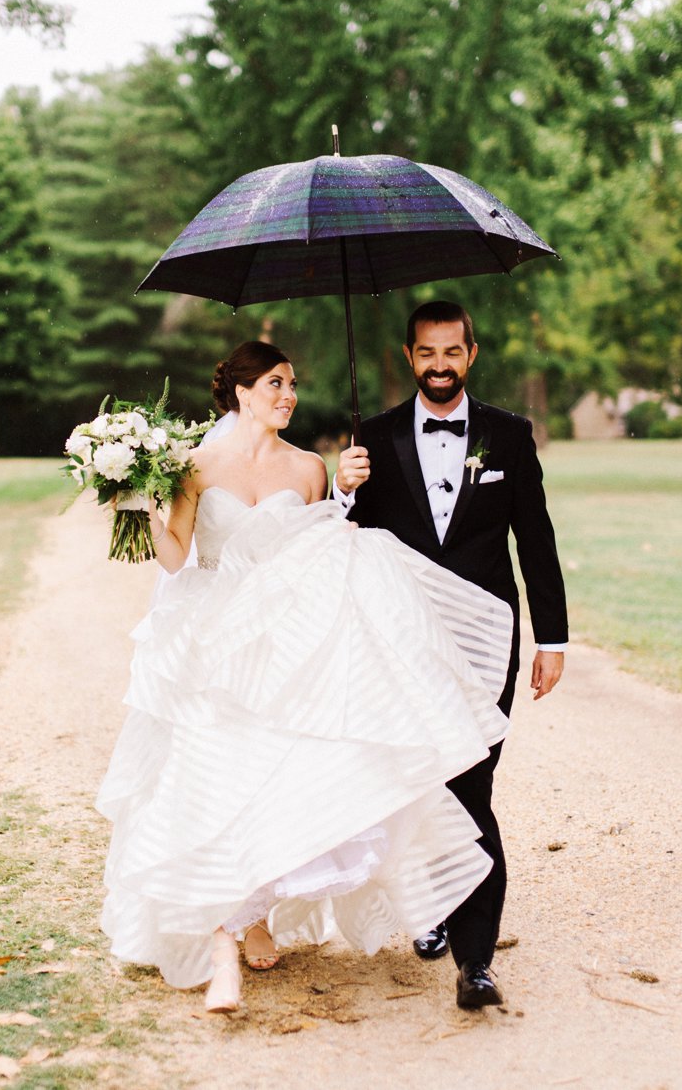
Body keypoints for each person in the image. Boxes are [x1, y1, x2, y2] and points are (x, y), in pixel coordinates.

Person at [97, 341, 513, 1015]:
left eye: (292, 382)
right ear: (240, 392)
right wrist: (140, 505)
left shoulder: (309, 467)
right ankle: (222, 943)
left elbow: (325, 550)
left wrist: (347, 493)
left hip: (286, 647)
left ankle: (251, 911)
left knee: (276, 782)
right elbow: (175, 559)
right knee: (213, 783)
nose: (288, 395)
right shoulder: (192, 466)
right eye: (274, 383)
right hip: (217, 641)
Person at [334, 301, 569, 1011]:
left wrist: (551, 638)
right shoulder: (370, 438)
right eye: (426, 353)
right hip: (400, 640)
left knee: (471, 783)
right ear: (410, 356)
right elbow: (342, 545)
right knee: (415, 780)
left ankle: (475, 961)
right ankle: (431, 903)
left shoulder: (509, 434)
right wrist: (342, 490)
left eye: (452, 352)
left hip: (485, 635)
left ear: (472, 352)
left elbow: (537, 539)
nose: (440, 365)